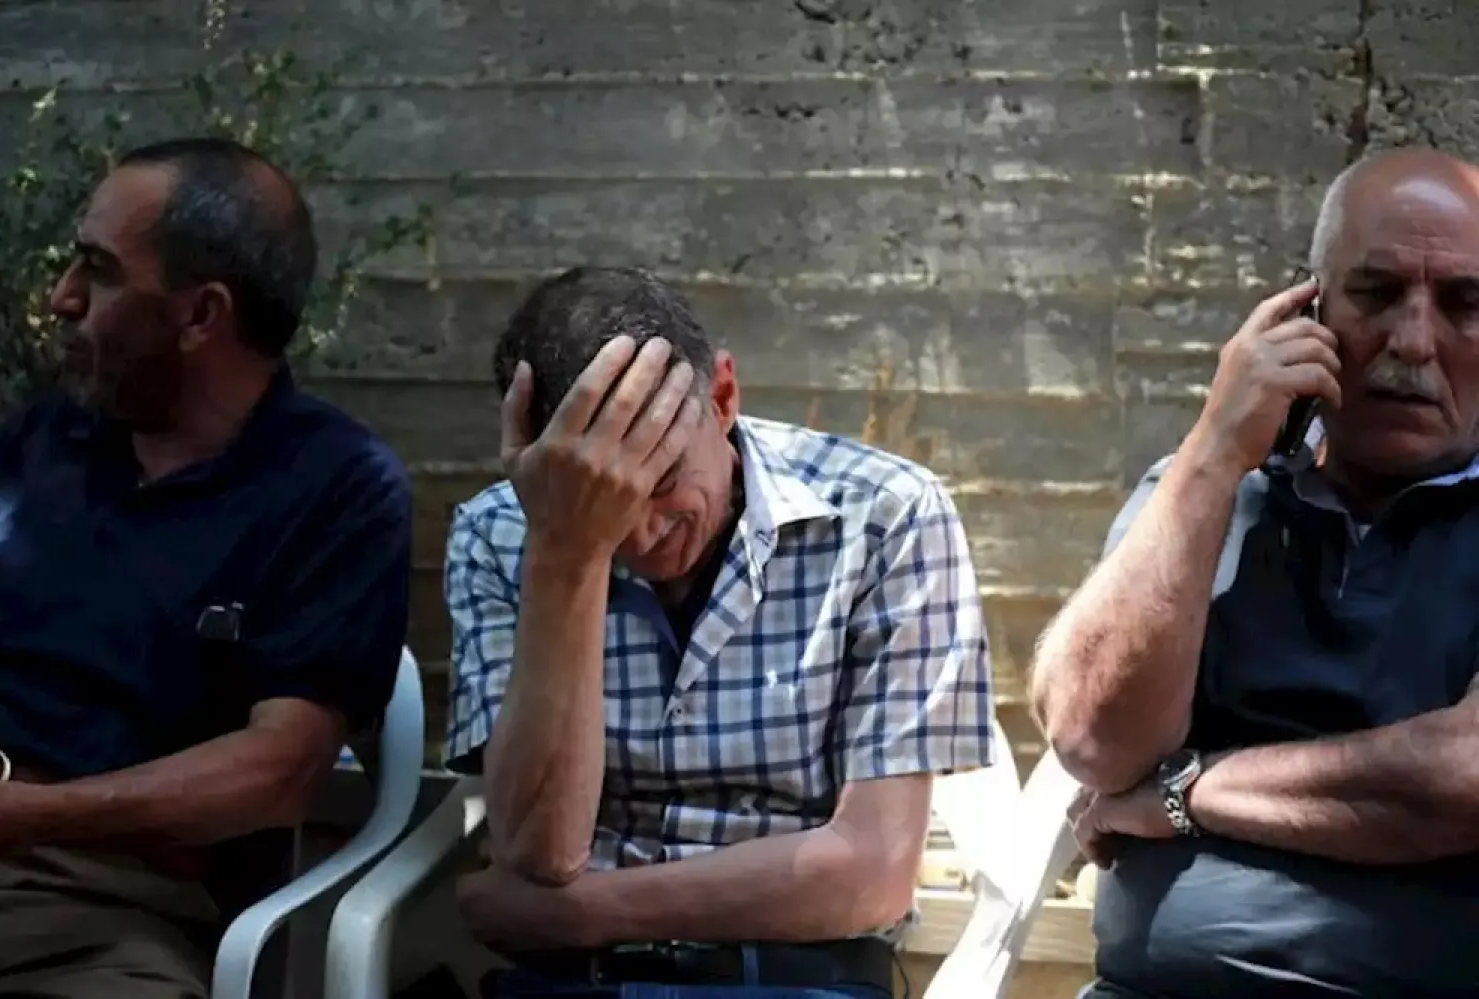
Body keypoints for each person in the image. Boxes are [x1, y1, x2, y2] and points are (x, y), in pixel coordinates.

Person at [443, 266, 994, 997]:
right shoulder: (497, 534)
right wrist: (568, 552)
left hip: (797, 978)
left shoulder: (888, 514)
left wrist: (573, 915)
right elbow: (539, 850)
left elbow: (871, 874)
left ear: (723, 398)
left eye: (662, 479)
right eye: (602, 495)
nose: (638, 530)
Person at [1030, 146, 1479, 999]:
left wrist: (1187, 790)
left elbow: (1461, 780)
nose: (1413, 342)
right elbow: (1093, 737)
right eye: (1375, 293)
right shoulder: (1208, 491)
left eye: (1467, 304)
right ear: (1306, 306)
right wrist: (1212, 452)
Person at [0, 137, 413, 999]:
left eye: (98, 272)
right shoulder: (41, 442)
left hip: (100, 912)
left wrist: (13, 816)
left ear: (200, 314)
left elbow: (278, 772)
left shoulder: (335, 489)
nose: (62, 298)